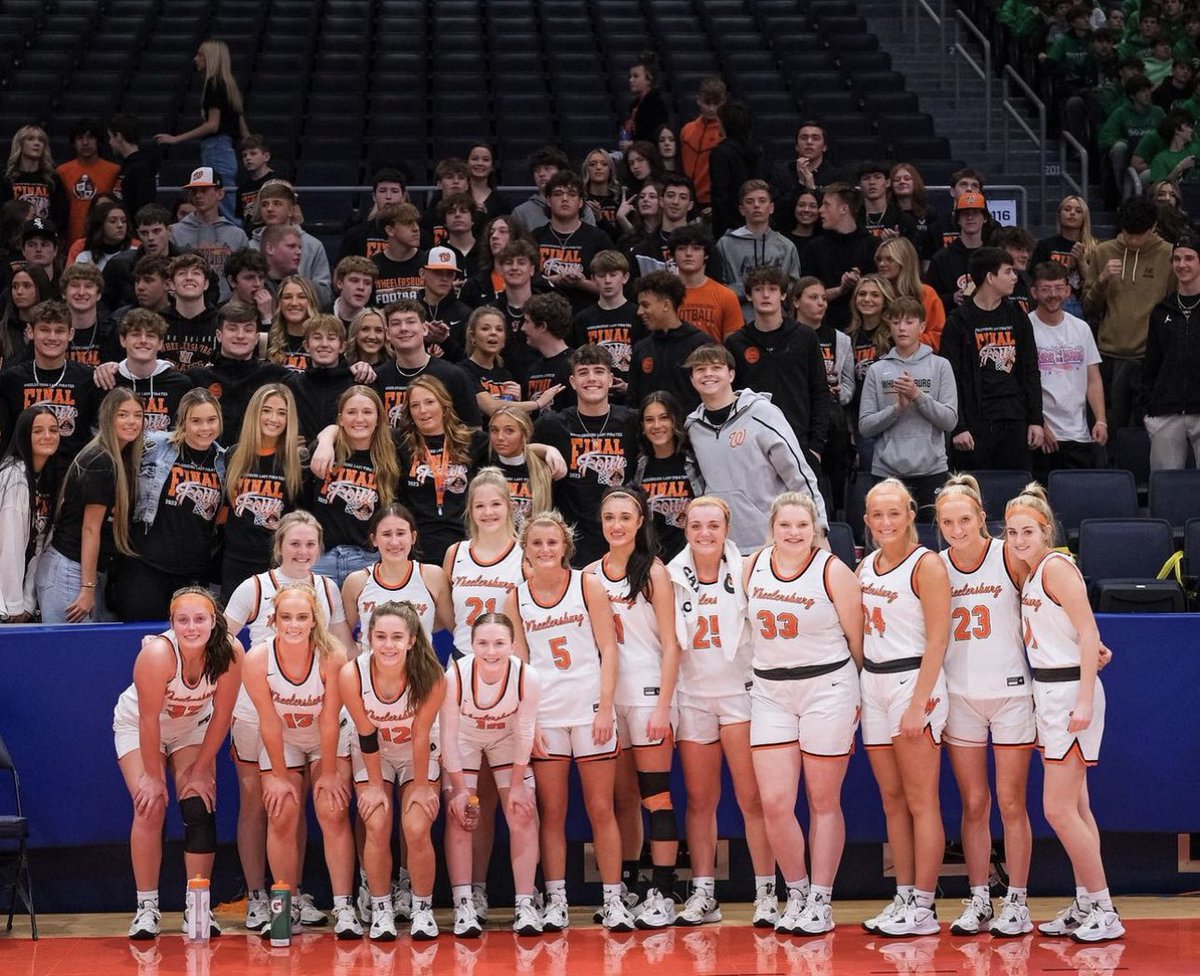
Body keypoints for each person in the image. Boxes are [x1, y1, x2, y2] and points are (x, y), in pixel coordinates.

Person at [223, 511, 353, 933]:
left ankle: (291, 894)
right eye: (294, 544)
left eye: (310, 544)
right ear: (279, 546)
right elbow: (220, 637)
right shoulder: (254, 587)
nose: (302, 552)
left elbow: (342, 645)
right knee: (258, 803)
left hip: (311, 705)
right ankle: (259, 896)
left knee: (294, 807)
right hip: (258, 707)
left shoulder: (327, 587)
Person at [1005, 484, 1123, 943]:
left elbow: (1089, 628)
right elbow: (1077, 637)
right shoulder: (1033, 573)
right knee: (1077, 805)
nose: (1018, 539)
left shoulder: (1056, 567)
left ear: (1046, 530)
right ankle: (1087, 901)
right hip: (1052, 692)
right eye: (1012, 532)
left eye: (1027, 531)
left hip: (1071, 695)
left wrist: (1085, 700)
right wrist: (1086, 653)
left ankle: (1106, 908)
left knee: (1056, 809)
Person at [504, 511, 631, 931]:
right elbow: (519, 665)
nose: (544, 550)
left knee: (601, 808)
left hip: (590, 709)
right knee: (552, 812)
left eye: (552, 543)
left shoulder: (586, 584)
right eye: (536, 543)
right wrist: (530, 723)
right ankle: (555, 899)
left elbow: (608, 650)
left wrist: (605, 706)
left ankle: (613, 899)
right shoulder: (515, 597)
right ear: (525, 548)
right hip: (547, 715)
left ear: (565, 546)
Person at [747, 492, 863, 935]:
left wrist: (852, 697)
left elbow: (857, 641)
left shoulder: (833, 570)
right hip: (771, 690)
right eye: (785, 525)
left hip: (826, 687)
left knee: (822, 800)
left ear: (815, 528)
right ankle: (795, 891)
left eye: (802, 525)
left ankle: (821, 898)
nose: (794, 533)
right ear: (772, 528)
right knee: (775, 802)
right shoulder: (753, 564)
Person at [933, 475, 1035, 938]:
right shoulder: (933, 566)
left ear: (981, 517)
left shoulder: (1008, 555)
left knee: (1012, 802)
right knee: (974, 803)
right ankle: (978, 898)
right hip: (960, 697)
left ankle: (1017, 900)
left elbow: (1046, 606)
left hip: (1012, 694)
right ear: (938, 524)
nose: (957, 529)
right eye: (948, 522)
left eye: (965, 520)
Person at [666, 496, 775, 928]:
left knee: (752, 799)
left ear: (727, 527)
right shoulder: (671, 575)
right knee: (700, 800)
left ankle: (767, 892)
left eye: (713, 525)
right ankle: (704, 893)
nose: (705, 533)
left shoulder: (748, 569)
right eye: (696, 526)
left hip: (739, 695)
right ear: (685, 528)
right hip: (693, 695)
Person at [114, 587, 243, 939]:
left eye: (199, 619)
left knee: (199, 807)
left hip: (192, 728)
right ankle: (146, 908)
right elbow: (148, 721)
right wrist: (154, 778)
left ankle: (197, 908)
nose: (191, 627)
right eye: (182, 620)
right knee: (150, 805)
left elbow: (223, 715)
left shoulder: (229, 651)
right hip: (140, 724)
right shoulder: (158, 654)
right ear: (171, 623)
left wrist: (201, 769)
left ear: (214, 621)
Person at [858, 478, 951, 937]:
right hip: (873, 682)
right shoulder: (866, 566)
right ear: (866, 520)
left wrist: (919, 703)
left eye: (894, 513)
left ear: (912, 514)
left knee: (920, 800)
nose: (886, 522)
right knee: (892, 800)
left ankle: (925, 904)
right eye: (877, 514)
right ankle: (904, 896)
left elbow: (939, 638)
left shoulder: (926, 564)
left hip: (913, 681)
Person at [587, 487, 683, 929]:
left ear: (640, 520)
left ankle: (663, 891)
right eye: (610, 517)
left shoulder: (654, 573)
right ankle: (624, 888)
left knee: (655, 796)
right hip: (610, 698)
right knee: (622, 799)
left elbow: (672, 646)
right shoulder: (589, 574)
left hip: (647, 695)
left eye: (625, 516)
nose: (617, 525)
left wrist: (663, 705)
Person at [241, 582, 360, 937]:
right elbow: (268, 720)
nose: (294, 624)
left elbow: (328, 718)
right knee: (281, 811)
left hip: (328, 736)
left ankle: (344, 906)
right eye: (286, 617)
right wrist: (277, 775)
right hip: (284, 737)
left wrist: (328, 773)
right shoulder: (257, 659)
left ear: (314, 621)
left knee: (332, 809)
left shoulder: (332, 655)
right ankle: (286, 906)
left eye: (302, 617)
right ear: (272, 620)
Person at [340, 599, 445, 941]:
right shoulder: (352, 673)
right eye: (381, 636)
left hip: (416, 750)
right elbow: (366, 733)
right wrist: (372, 785)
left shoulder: (431, 675)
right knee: (376, 820)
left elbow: (420, 735)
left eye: (397, 637)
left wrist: (422, 787)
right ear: (368, 637)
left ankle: (422, 908)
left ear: (412, 639)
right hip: (375, 754)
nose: (388, 645)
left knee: (416, 826)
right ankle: (381, 906)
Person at [439, 612, 543, 937]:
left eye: (499, 643)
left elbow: (526, 732)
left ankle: (525, 903)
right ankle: (464, 904)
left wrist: (516, 787)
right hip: (464, 739)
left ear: (513, 645)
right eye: (483, 643)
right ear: (471, 646)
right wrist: (459, 791)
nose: (491, 651)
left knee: (523, 812)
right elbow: (447, 736)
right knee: (462, 815)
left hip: (506, 737)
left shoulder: (527, 676)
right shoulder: (455, 676)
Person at [684, 344, 827, 553]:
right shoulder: (692, 427)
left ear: (731, 374)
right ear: (692, 379)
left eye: (716, 367)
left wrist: (819, 527)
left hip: (771, 541)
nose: (708, 374)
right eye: (700, 369)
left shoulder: (761, 413)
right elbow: (699, 486)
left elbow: (798, 473)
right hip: (722, 547)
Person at [115, 389, 225, 621]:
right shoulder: (155, 445)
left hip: (193, 571)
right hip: (146, 565)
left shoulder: (224, 460)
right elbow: (114, 451)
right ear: (182, 421)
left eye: (211, 420)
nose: (205, 428)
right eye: (196, 421)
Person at [34, 388, 142, 623]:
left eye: (138, 415)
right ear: (108, 416)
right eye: (122, 414)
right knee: (67, 655)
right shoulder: (100, 460)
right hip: (70, 571)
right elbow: (90, 529)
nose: (132, 421)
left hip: (87, 571)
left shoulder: (120, 458)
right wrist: (87, 588)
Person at [939, 247, 1045, 472]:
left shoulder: (1017, 316)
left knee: (1016, 491)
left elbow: (1030, 370)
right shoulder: (959, 321)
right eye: (1008, 271)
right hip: (975, 424)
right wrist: (958, 427)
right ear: (990, 277)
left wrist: (1036, 419)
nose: (1015, 277)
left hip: (1014, 419)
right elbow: (951, 379)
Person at [1083, 195, 1174, 436]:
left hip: (1151, 358)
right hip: (1110, 356)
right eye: (1128, 232)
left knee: (1148, 432)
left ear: (1153, 227)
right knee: (1109, 430)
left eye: (1139, 233)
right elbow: (1088, 307)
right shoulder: (1103, 252)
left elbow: (1175, 305)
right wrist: (1101, 281)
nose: (1132, 239)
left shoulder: (1168, 255)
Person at [858, 297, 959, 516]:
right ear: (889, 327)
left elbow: (950, 420)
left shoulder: (940, 365)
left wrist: (917, 396)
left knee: (932, 539)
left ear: (922, 326)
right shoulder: (877, 370)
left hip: (932, 470)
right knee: (888, 537)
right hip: (887, 473)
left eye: (909, 322)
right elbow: (865, 426)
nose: (902, 328)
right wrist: (897, 409)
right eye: (895, 322)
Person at [727, 265, 831, 467]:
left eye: (773, 289)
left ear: (783, 294)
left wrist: (816, 447)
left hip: (799, 442)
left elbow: (820, 392)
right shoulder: (736, 343)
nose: (766, 295)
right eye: (758, 289)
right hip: (751, 445)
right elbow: (731, 398)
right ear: (749, 296)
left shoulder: (804, 337)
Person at [307, 386, 399, 586]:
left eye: (367, 412)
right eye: (351, 412)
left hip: (367, 558)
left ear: (378, 419)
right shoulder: (325, 450)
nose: (359, 419)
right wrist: (325, 441)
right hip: (321, 558)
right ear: (340, 419)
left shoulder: (391, 458)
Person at [220, 383, 306, 596]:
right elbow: (224, 510)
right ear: (254, 413)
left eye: (281, 413)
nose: (273, 419)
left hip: (276, 562)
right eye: (266, 410)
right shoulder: (234, 455)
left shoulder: (297, 462)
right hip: (235, 561)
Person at [394, 374, 486, 565]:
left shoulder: (472, 441)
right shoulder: (400, 444)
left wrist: (546, 450)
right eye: (415, 405)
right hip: (418, 548)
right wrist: (328, 437)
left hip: (465, 545)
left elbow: (512, 447)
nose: (423, 410)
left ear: (444, 406)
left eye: (429, 402)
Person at [341, 503, 454, 656]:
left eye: (400, 533)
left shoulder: (432, 576)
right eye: (386, 534)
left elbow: (456, 627)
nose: (394, 542)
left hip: (419, 674)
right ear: (374, 539)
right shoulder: (357, 582)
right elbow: (340, 636)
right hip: (372, 673)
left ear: (413, 537)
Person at [1029, 263, 1107, 481]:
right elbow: (1022, 385)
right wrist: (1039, 425)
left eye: (1058, 288)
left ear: (1067, 291)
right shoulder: (1025, 327)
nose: (1053, 294)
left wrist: (1100, 420)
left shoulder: (1081, 328)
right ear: (1034, 292)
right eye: (1045, 289)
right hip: (1042, 437)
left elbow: (1093, 379)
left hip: (1079, 436)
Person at [155, 40, 249, 222]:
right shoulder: (228, 86)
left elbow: (213, 124)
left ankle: (240, 245)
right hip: (225, 150)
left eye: (200, 55)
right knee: (226, 202)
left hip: (217, 148)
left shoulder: (214, 84)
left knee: (224, 205)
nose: (195, 59)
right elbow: (243, 129)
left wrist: (176, 139)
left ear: (210, 58)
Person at [0, 299, 101, 461]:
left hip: (72, 474)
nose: (52, 337)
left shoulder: (89, 378)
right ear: (31, 332)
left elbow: (99, 435)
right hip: (23, 474)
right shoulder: (11, 379)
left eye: (59, 330)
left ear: (71, 334)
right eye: (44, 330)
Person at [791, 276, 854, 515]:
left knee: (835, 478)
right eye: (813, 297)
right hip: (799, 418)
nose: (821, 303)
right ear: (796, 302)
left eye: (824, 299)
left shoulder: (841, 339)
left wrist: (841, 393)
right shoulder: (788, 336)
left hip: (832, 420)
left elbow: (849, 385)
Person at [372, 299, 481, 429]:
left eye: (410, 322)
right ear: (388, 334)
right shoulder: (378, 377)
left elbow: (473, 431)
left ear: (424, 329)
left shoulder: (453, 375)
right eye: (396, 324)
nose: (403, 328)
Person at [1143, 235, 1200, 469]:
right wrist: (1148, 409)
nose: (1182, 264)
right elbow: (1151, 362)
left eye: (1189, 258)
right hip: (1166, 412)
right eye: (1176, 259)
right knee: (1165, 486)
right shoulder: (1161, 310)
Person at [0, 404, 61, 622]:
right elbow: (10, 545)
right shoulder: (14, 477)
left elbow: (38, 546)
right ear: (24, 435)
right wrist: (14, 603)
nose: (48, 436)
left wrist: (28, 600)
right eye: (38, 431)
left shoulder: (46, 478)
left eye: (54, 430)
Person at [628, 392, 704, 561]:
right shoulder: (639, 468)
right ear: (642, 426)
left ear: (674, 420)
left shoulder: (694, 462)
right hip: (652, 562)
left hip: (691, 559)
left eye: (664, 418)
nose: (657, 425)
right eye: (649, 420)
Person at [808, 182, 891, 330]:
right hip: (825, 328)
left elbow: (887, 290)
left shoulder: (874, 246)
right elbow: (806, 294)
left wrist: (863, 283)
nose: (820, 210)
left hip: (869, 330)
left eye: (826, 205)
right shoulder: (814, 248)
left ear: (843, 209)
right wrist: (841, 290)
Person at [629, 270, 714, 413]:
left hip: (693, 432)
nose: (639, 311)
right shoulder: (641, 349)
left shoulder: (702, 346)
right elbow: (632, 401)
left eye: (645, 305)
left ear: (666, 305)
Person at [714, 180, 801, 316]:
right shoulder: (725, 244)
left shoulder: (786, 246)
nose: (756, 205)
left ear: (771, 207)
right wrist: (752, 289)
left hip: (779, 321)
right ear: (742, 210)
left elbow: (793, 289)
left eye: (762, 201)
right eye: (749, 201)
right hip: (738, 319)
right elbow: (717, 287)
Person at [532, 171, 613, 315]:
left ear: (581, 202)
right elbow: (524, 281)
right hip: (541, 315)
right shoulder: (535, 237)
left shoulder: (598, 238)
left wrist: (581, 283)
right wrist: (554, 280)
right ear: (548, 201)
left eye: (571, 194)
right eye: (558, 194)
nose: (564, 199)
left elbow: (613, 287)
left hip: (587, 316)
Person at [110, 308, 194, 435]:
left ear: (160, 343)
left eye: (150, 335)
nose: (143, 340)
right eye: (136, 334)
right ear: (123, 340)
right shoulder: (108, 381)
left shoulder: (180, 385)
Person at [168, 168, 248, 302]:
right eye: (194, 191)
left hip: (227, 307)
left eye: (204, 190)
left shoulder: (236, 235)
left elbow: (246, 275)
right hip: (186, 304)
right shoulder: (175, 232)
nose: (198, 196)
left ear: (220, 194)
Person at [249, 180, 332, 307]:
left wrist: (298, 284)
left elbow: (326, 296)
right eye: (265, 204)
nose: (270, 209)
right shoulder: (250, 246)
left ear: (290, 211)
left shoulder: (313, 245)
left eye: (277, 204)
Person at [571, 250, 640, 394]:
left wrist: (631, 387)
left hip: (630, 395)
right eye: (601, 276)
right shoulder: (583, 319)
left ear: (625, 277)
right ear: (593, 279)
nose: (607, 280)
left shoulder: (638, 314)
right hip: (594, 392)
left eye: (613, 275)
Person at [485, 406, 555, 529]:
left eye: (509, 431)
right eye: (494, 430)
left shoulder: (544, 470)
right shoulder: (484, 469)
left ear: (526, 434)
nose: (500, 437)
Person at [672, 225, 744, 344]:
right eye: (681, 248)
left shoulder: (726, 296)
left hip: (713, 360)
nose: (688, 253)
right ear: (673, 254)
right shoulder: (664, 295)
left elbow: (733, 346)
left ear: (706, 254)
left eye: (696, 248)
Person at [875, 237, 946, 350]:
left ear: (904, 261)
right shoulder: (875, 294)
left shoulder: (926, 294)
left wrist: (900, 339)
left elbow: (938, 338)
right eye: (879, 259)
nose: (882, 264)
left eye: (889, 259)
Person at [58, 119, 121, 246]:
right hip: (71, 239)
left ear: (98, 141)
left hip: (104, 238)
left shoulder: (114, 170)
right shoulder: (62, 171)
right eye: (80, 138)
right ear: (73, 143)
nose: (85, 143)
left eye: (90, 137)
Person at [927, 192, 990, 316]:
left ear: (985, 218)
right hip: (952, 323)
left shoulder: (993, 257)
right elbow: (930, 297)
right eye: (965, 213)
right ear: (958, 220)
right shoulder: (941, 258)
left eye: (975, 213)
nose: (970, 218)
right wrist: (952, 298)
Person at [709, 102, 761, 240]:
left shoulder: (721, 154)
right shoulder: (755, 151)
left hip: (730, 228)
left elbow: (720, 197)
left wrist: (719, 233)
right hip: (753, 222)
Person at [769, 121, 835, 227]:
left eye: (815, 138)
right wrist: (800, 186)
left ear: (824, 147)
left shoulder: (837, 176)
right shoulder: (781, 173)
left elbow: (836, 214)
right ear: (796, 146)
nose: (809, 142)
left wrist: (812, 190)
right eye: (804, 138)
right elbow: (775, 211)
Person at [3, 125, 68, 228]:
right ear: (20, 144)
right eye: (30, 139)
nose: (37, 143)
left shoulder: (52, 179)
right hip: (15, 237)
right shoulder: (8, 178)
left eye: (41, 140)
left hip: (45, 236)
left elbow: (61, 214)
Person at [337, 168, 408, 261]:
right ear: (374, 197)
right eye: (382, 191)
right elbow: (341, 270)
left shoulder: (415, 234)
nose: (388, 196)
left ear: (403, 197)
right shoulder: (356, 234)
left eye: (394, 191)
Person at [521, 292, 574, 413]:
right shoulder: (532, 370)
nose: (522, 328)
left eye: (527, 322)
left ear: (543, 326)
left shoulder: (575, 365)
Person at [107, 114, 160, 224]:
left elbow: (143, 208)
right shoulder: (127, 166)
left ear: (118, 136)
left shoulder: (141, 168)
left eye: (111, 137)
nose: (109, 142)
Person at [371, 203, 426, 307]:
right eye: (407, 223)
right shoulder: (373, 266)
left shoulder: (428, 262)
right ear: (390, 230)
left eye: (416, 222)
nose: (416, 228)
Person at [889, 163, 942, 263]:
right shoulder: (888, 213)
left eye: (907, 178)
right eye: (897, 180)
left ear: (915, 182)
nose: (902, 182)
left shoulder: (930, 214)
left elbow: (935, 248)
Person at [266, 275, 318, 371]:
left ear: (311, 302)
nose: (294, 303)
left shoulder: (322, 341)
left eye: (301, 297)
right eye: (287, 297)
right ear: (279, 303)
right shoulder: (267, 341)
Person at [73, 199, 134, 271]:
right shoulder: (85, 258)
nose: (120, 225)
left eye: (124, 221)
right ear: (100, 225)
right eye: (113, 221)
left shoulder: (135, 254)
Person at [582, 148, 623, 241]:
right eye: (593, 164)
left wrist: (601, 219)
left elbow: (620, 237)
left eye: (604, 164)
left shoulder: (619, 200)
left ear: (610, 169)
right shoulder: (581, 200)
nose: (598, 167)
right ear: (586, 170)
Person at [235, 134, 276, 228]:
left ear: (266, 157)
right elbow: (242, 220)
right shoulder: (242, 189)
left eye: (253, 153)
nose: (247, 158)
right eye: (244, 155)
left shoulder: (278, 182)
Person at [465, 142, 510, 221]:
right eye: (475, 159)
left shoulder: (501, 203)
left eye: (486, 160)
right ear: (467, 163)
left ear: (492, 166)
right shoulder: (456, 194)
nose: (480, 163)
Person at [334, 257, 378, 331]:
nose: (361, 287)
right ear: (340, 283)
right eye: (354, 281)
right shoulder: (320, 314)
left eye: (367, 283)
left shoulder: (376, 322)